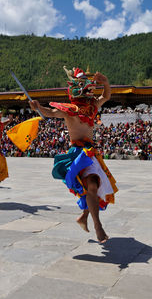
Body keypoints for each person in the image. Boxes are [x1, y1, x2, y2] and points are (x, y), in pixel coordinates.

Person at [29, 66, 118, 243]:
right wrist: (38, 107)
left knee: (95, 188)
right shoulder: (68, 109)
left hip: (91, 153)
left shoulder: (92, 107)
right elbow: (51, 112)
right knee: (92, 186)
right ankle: (98, 227)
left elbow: (106, 96)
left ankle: (84, 217)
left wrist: (106, 82)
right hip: (78, 153)